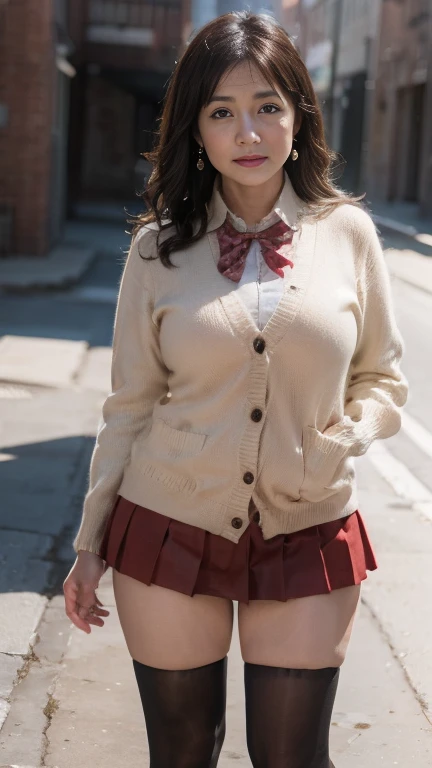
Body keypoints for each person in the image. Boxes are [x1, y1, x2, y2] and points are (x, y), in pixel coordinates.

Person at [63, 11, 408, 768]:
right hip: (168, 520)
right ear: (196, 128)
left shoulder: (348, 233)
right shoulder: (156, 249)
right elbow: (128, 405)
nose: (248, 133)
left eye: (267, 107)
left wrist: (342, 438)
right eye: (222, 112)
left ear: (297, 117)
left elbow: (383, 377)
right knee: (183, 753)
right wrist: (90, 543)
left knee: (292, 756)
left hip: (308, 525)